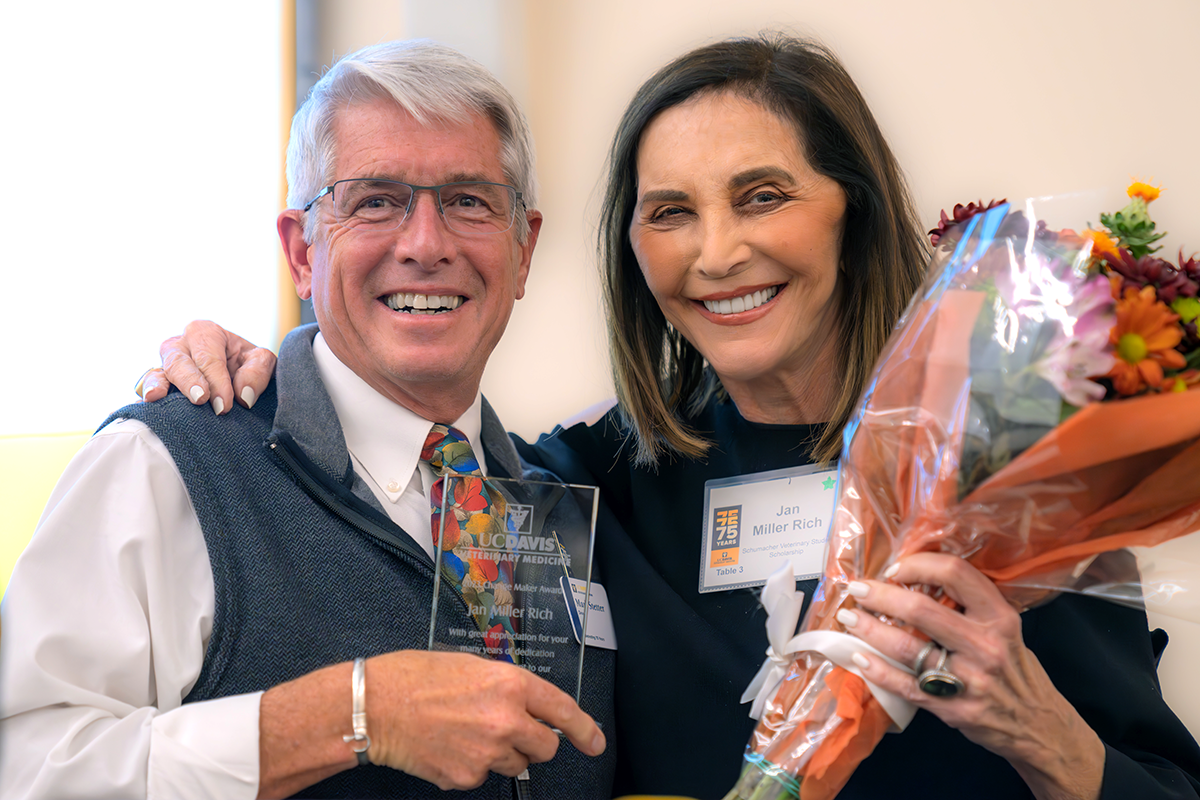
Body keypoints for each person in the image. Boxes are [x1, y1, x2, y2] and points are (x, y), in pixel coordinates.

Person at [134, 34, 1200, 800]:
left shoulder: (1018, 460)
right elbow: (396, 450)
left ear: (853, 208)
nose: (717, 252)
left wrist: (1047, 735)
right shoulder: (572, 492)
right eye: (670, 212)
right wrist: (274, 370)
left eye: (764, 194)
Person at [0, 41, 614, 800]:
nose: (426, 244)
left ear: (523, 252)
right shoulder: (168, 468)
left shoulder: (560, 503)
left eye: (469, 201)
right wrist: (351, 714)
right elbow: (26, 768)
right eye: (375, 200)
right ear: (301, 252)